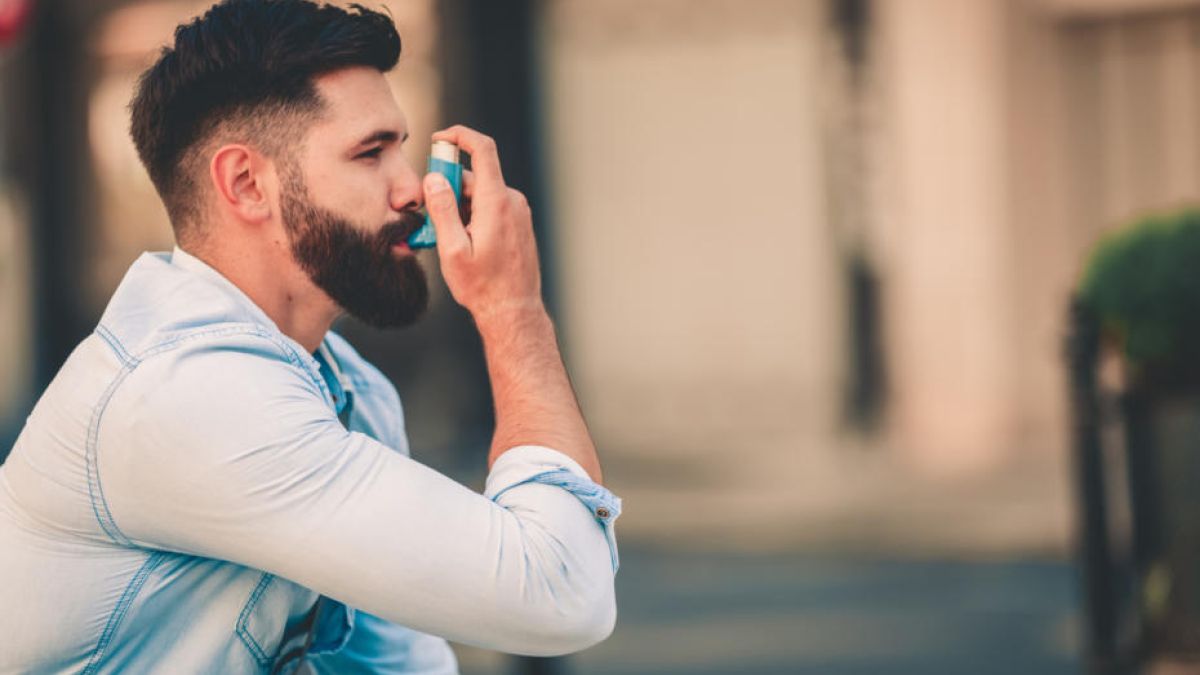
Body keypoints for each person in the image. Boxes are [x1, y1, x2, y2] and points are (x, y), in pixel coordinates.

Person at [0, 0, 621, 672]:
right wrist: (512, 307)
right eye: (370, 153)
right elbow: (561, 592)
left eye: (402, 149)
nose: (413, 189)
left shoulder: (346, 389)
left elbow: (396, 665)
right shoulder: (187, 393)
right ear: (245, 183)